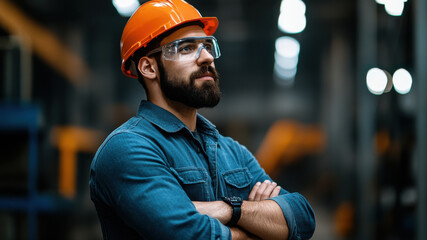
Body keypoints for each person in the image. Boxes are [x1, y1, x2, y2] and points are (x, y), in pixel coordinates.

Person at [89, 0, 315, 239]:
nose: (206, 57)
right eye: (186, 48)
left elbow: (302, 219)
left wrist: (229, 209)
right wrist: (260, 227)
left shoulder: (231, 151)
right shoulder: (128, 149)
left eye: (207, 46)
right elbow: (191, 234)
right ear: (149, 68)